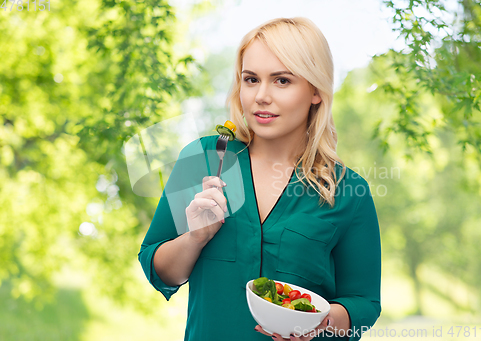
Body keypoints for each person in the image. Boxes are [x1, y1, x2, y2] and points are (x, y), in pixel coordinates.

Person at [138, 17, 381, 341]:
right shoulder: (205, 158)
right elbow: (159, 270)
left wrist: (319, 323)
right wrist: (194, 238)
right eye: (251, 80)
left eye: (282, 81)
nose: (261, 96)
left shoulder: (348, 192)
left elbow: (364, 305)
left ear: (315, 91)